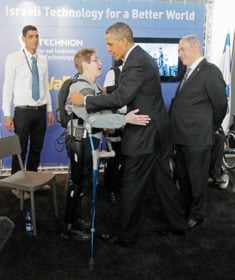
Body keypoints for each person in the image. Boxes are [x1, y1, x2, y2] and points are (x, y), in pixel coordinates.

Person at [70, 22, 187, 247]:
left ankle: (126, 236)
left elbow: (121, 98)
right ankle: (178, 224)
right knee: (162, 181)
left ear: (123, 40)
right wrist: (105, 93)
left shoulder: (136, 63)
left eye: (110, 44)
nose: (109, 49)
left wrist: (85, 100)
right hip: (156, 130)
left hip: (145, 133)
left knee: (131, 183)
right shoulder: (139, 58)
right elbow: (128, 91)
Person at [62, 48, 150, 241]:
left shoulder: (92, 87)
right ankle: (68, 226)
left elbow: (100, 114)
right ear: (85, 65)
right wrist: (123, 120)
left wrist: (117, 118)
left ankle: (75, 218)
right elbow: (93, 119)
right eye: (95, 60)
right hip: (81, 141)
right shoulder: (79, 88)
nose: (100, 63)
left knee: (84, 182)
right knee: (77, 183)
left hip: (89, 140)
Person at [169, 35, 228, 229]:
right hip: (182, 136)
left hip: (198, 138)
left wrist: (210, 128)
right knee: (184, 178)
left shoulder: (210, 71)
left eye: (182, 49)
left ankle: (197, 213)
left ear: (196, 48)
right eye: (179, 50)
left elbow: (221, 105)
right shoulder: (187, 73)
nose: (180, 54)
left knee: (197, 178)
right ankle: (186, 209)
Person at [2, 25, 54, 200]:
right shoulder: (13, 58)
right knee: (20, 149)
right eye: (31, 36)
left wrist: (49, 109)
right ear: (23, 38)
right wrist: (7, 114)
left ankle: (32, 181)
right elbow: (7, 87)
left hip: (40, 112)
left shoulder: (43, 60)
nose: (35, 39)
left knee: (36, 148)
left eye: (37, 36)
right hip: (22, 112)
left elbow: (45, 87)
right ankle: (17, 185)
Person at [103, 59, 125, 204]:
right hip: (115, 122)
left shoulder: (137, 75)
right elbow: (105, 98)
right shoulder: (113, 73)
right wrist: (107, 122)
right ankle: (109, 189)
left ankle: (120, 186)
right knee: (114, 158)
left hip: (131, 123)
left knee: (126, 159)